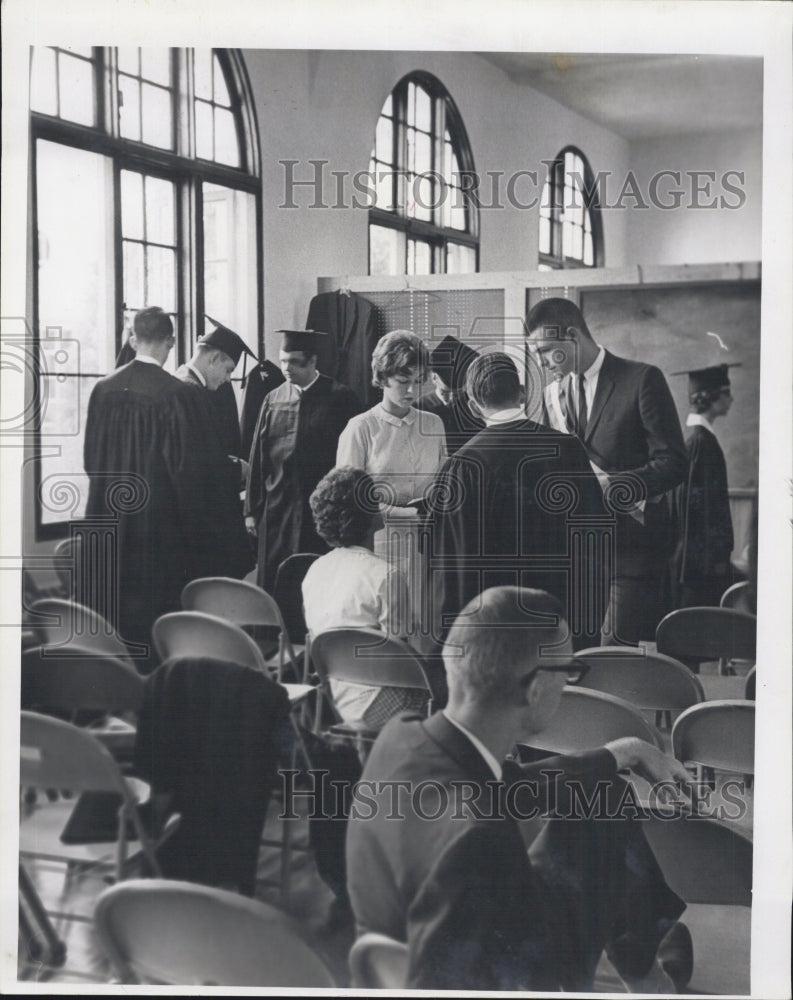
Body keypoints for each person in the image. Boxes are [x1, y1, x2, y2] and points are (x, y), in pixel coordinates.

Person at [346, 585, 694, 992]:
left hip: (420, 941)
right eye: (569, 670)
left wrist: (625, 752)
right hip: (480, 964)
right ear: (534, 689)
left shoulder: (402, 737)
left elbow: (506, 785)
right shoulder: (479, 843)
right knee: (606, 816)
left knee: (601, 793)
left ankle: (642, 960)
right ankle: (643, 963)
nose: (568, 683)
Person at [526, 297, 687, 645]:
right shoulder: (553, 394)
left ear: (572, 335)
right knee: (575, 659)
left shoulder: (641, 379)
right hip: (576, 554)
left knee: (612, 659)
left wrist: (610, 486)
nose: (541, 362)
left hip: (630, 551)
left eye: (546, 351)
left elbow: (674, 462)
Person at [427, 351, 608, 649]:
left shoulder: (460, 467)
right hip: (560, 631)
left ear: (473, 407)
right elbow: (594, 545)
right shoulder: (568, 450)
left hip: (492, 638)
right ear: (522, 394)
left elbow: (451, 572)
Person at [83, 306, 188, 665]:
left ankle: (113, 700)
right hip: (153, 532)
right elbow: (181, 471)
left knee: (109, 625)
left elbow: (90, 462)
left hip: (104, 525)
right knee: (152, 631)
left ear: (132, 339)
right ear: (171, 342)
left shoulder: (102, 389)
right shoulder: (176, 394)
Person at [302, 466, 433, 730]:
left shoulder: (315, 570)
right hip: (379, 700)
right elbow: (400, 657)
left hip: (330, 698)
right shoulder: (385, 575)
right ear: (370, 512)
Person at [245, 329, 361, 592]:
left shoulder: (340, 398)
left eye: (294, 362)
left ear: (313, 361)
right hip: (277, 507)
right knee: (275, 577)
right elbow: (258, 455)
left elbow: (351, 462)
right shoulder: (273, 398)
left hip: (319, 508)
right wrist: (251, 510)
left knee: (316, 578)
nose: (286, 368)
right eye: (283, 360)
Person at [173, 321, 257, 582]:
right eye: (228, 369)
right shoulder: (191, 392)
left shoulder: (178, 383)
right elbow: (196, 463)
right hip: (199, 523)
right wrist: (238, 469)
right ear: (213, 358)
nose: (228, 378)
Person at [336, 330, 446, 507]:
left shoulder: (434, 424)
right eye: (403, 381)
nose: (411, 390)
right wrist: (404, 514)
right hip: (378, 532)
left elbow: (443, 484)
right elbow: (348, 498)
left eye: (418, 381)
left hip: (430, 529)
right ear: (382, 377)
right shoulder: (360, 428)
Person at [670, 363, 739, 608]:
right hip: (702, 565)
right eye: (726, 392)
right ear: (709, 397)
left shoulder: (698, 439)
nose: (731, 399)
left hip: (701, 560)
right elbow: (698, 511)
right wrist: (716, 561)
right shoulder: (701, 443)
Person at [414, 333, 483, 454]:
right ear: (434, 377)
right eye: (445, 392)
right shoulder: (420, 407)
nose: (451, 398)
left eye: (457, 394)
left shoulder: (475, 406)